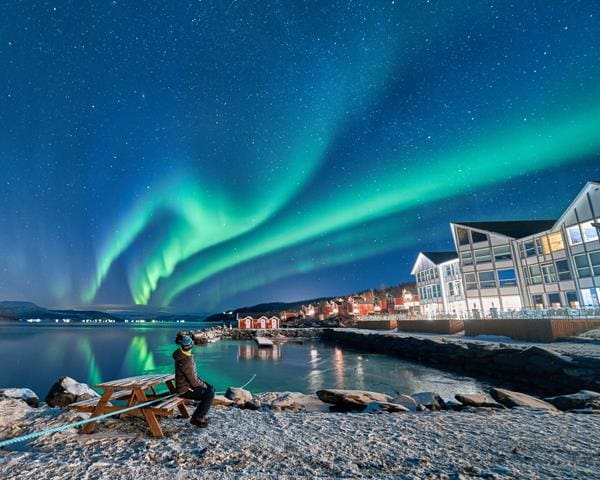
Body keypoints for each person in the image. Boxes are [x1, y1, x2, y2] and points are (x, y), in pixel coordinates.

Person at [173, 334, 215, 428]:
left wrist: (205, 384)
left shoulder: (181, 354)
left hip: (184, 386)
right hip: (185, 390)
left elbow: (193, 377)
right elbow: (194, 381)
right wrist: (205, 386)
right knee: (210, 393)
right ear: (191, 345)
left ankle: (199, 416)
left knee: (210, 388)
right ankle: (197, 418)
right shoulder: (186, 360)